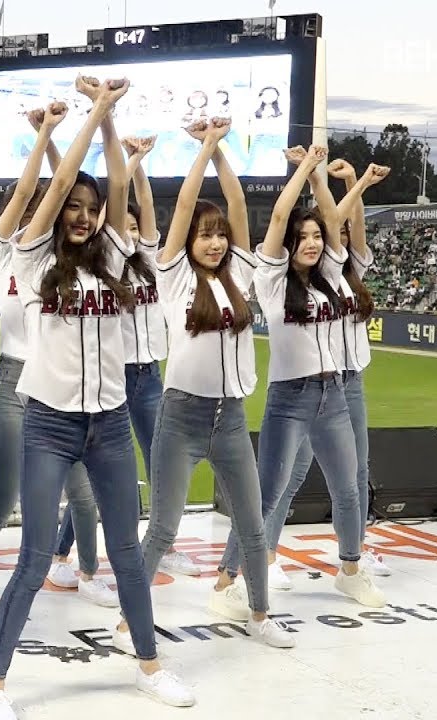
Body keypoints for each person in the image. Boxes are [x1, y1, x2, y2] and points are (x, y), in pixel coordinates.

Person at [0, 77, 193, 720]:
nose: (82, 214)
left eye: (90, 208)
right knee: (34, 557)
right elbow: (43, 195)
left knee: (127, 550)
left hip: (110, 423)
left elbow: (120, 183)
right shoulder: (32, 259)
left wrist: (111, 121)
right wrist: (95, 110)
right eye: (71, 205)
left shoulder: (117, 257)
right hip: (48, 424)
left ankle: (149, 666)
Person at [137, 118, 293, 649]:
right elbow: (184, 205)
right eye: (205, 235)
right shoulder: (172, 275)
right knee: (163, 529)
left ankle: (259, 614)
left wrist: (221, 151)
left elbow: (239, 202)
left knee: (252, 524)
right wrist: (202, 149)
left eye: (220, 235)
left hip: (230, 419)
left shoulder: (239, 275)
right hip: (180, 417)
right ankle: (131, 620)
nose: (215, 242)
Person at [218, 149, 388, 609]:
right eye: (303, 237)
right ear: (288, 243)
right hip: (290, 398)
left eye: (317, 236)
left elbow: (335, 220)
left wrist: (328, 183)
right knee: (267, 493)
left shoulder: (331, 275)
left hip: (334, 394)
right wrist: (305, 172)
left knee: (349, 486)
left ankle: (350, 570)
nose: (313, 243)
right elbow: (279, 216)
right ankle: (228, 577)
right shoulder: (271, 280)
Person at [49, 134, 202, 596]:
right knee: (99, 480)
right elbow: (111, 207)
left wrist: (139, 164)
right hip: (115, 377)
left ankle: (163, 542)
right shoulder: (104, 265)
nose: (133, 234)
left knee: (162, 464)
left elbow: (147, 204)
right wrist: (126, 164)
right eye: (126, 228)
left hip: (149, 375)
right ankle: (60, 552)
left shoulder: (152, 262)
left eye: (137, 229)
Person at [0, 102, 106, 608]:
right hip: (13, 381)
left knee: (84, 493)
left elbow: (64, 189)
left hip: (56, 382)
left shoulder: (57, 258)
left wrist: (56, 143)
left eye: (38, 215)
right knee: (3, 497)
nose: (31, 220)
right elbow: (32, 191)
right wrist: (44, 134)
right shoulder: (4, 252)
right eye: (24, 213)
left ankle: (87, 573)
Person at [266, 159, 392, 587]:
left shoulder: (348, 273)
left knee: (354, 475)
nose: (334, 236)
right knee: (289, 475)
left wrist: (354, 182)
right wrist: (334, 179)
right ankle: (265, 555)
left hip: (346, 383)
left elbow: (346, 224)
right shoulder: (314, 276)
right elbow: (329, 217)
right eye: (316, 234)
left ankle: (353, 554)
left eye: (326, 235)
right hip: (308, 385)